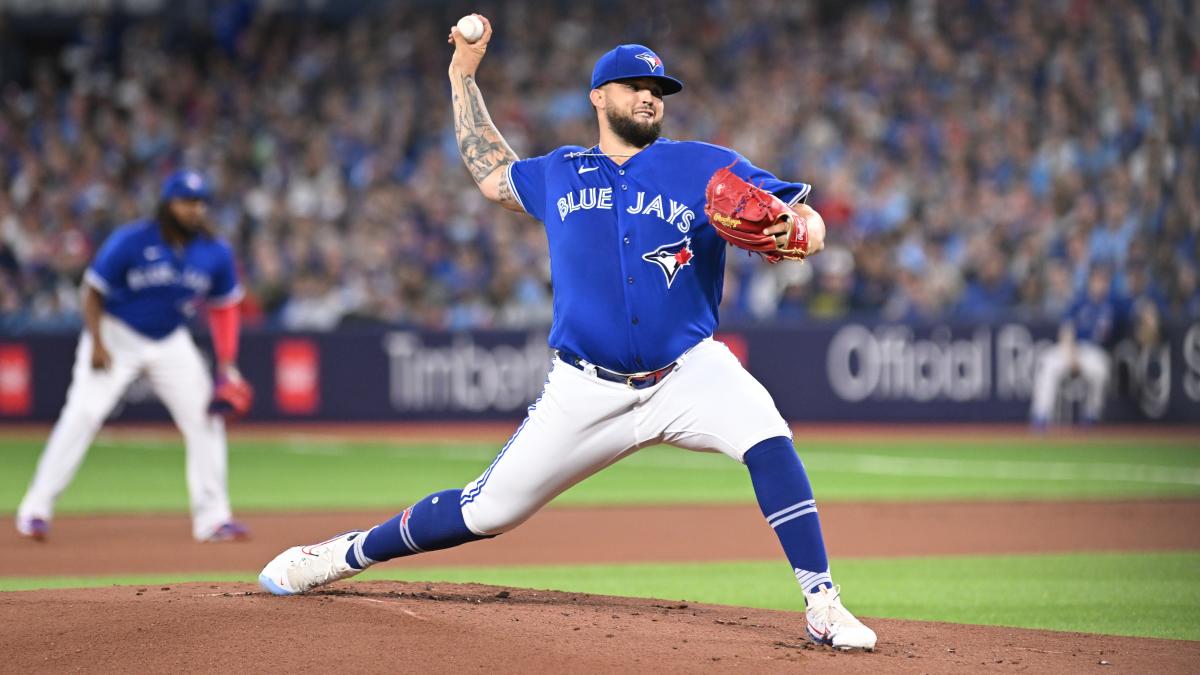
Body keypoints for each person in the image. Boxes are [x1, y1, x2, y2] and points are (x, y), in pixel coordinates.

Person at [259, 16, 876, 652]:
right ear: (597, 97)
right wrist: (461, 78)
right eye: (635, 84)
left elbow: (801, 215)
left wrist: (805, 229)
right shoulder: (560, 171)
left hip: (688, 370)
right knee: (486, 511)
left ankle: (822, 603)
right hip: (586, 387)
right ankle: (342, 554)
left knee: (767, 433)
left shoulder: (704, 166)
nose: (649, 96)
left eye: (658, 89)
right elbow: (490, 172)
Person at [15, 170, 252, 543]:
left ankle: (213, 519)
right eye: (186, 202)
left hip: (170, 339)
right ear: (167, 204)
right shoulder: (131, 240)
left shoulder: (215, 251)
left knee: (207, 419)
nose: (194, 209)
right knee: (83, 414)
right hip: (115, 333)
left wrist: (228, 364)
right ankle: (35, 508)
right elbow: (92, 292)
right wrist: (97, 342)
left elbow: (225, 309)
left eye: (199, 202)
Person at [1030, 264, 1116, 427]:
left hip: (1094, 351)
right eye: (1096, 280)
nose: (1100, 284)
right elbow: (1066, 329)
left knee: (1101, 371)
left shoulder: (1113, 302)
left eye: (1103, 280)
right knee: (1047, 364)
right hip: (1073, 348)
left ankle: (1092, 415)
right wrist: (1071, 356)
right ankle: (1041, 415)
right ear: (1090, 282)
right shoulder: (1080, 300)